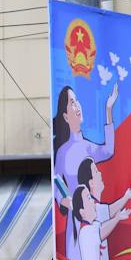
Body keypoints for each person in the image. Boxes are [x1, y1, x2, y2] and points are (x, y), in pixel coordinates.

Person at [53, 84, 117, 213]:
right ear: (65, 116)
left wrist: (108, 110)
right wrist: (66, 201)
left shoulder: (88, 147)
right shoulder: (62, 152)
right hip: (74, 221)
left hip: (93, 217)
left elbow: (108, 150)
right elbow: (56, 183)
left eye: (77, 100)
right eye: (72, 102)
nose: (77, 105)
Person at [72, 158, 131, 260]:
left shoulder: (93, 220)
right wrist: (118, 216)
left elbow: (108, 212)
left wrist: (126, 197)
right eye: (96, 171)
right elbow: (104, 223)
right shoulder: (87, 230)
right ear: (91, 183)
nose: (100, 173)